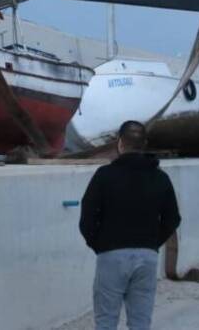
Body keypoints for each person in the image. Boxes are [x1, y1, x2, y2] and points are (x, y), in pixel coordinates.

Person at [79, 121, 181, 330]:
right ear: (144, 144)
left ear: (120, 144)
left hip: (111, 256)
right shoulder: (160, 178)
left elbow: (87, 218)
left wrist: (99, 244)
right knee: (140, 322)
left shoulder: (104, 175)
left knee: (106, 321)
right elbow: (173, 218)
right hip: (147, 257)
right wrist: (152, 242)